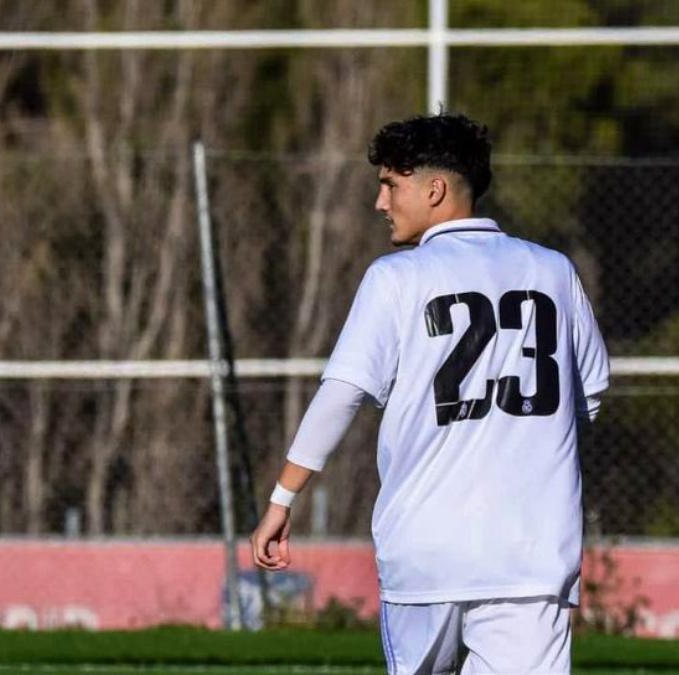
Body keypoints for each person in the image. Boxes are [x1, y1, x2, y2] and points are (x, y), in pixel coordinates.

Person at [250, 113, 610, 674]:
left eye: (390, 184)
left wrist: (282, 498)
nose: (380, 202)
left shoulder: (397, 278)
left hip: (427, 550)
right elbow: (588, 392)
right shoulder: (554, 272)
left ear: (434, 189)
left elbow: (342, 394)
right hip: (533, 551)